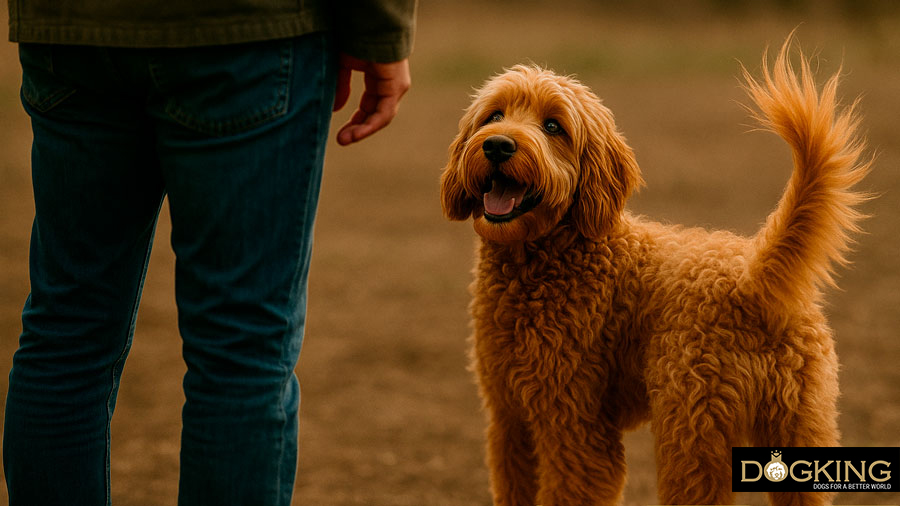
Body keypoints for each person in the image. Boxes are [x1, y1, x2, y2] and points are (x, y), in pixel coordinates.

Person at [3, 2, 415, 505]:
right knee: (241, 348)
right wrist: (382, 29)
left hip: (73, 25)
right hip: (243, 29)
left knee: (66, 329)